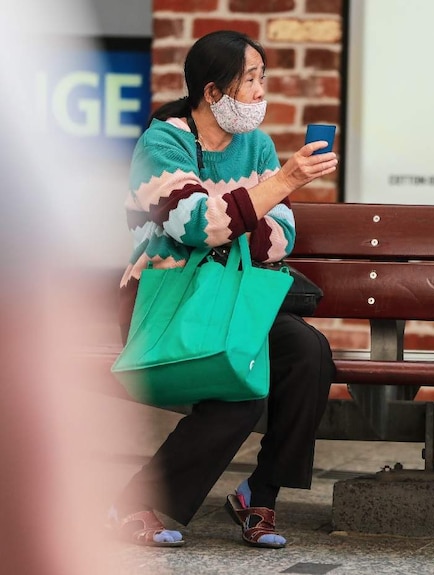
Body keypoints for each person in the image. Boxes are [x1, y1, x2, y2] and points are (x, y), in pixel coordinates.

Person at [108, 30, 338, 549]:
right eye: (251, 80)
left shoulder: (255, 145)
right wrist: (280, 184)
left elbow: (281, 237)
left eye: (263, 78)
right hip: (165, 302)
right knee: (238, 375)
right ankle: (138, 501)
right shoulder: (162, 143)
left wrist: (237, 217)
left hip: (231, 298)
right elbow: (193, 225)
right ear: (213, 93)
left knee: (308, 351)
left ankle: (261, 491)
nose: (262, 92)